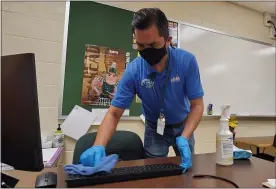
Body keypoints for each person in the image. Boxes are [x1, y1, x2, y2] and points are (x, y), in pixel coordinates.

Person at [80, 8, 204, 171]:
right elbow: (113, 113)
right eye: (140, 45)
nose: (146, 51)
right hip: (154, 128)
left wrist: (185, 136)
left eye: (153, 45)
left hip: (183, 124)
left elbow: (197, 106)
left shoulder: (186, 62)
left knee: (188, 170)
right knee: (154, 173)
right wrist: (98, 146)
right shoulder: (133, 71)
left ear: (168, 40)